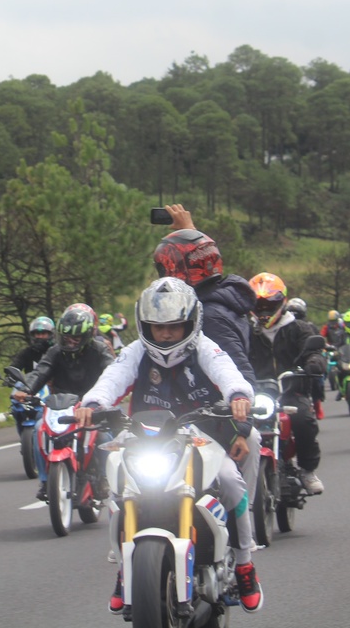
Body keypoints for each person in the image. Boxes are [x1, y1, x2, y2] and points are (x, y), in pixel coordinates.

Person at [74, 277, 262, 614]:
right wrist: (93, 403)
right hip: (144, 436)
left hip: (201, 434)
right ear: (144, 325)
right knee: (116, 484)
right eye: (157, 327)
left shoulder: (205, 347)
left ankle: (245, 565)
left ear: (191, 323)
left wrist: (237, 396)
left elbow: (227, 371)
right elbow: (112, 379)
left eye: (174, 327)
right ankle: (124, 569)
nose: (165, 334)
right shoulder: (135, 352)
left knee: (233, 483)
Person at [152, 211, 263, 528]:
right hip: (192, 406)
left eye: (165, 269)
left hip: (208, 413)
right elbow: (199, 264)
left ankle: (243, 543)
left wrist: (241, 424)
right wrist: (190, 233)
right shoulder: (222, 295)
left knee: (230, 479)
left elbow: (236, 369)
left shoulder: (207, 313)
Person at [12, 303, 116, 500]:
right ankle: (45, 481)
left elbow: (112, 372)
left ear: (86, 336)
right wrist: (26, 389)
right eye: (66, 337)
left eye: (75, 338)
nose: (70, 342)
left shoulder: (100, 350)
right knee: (38, 429)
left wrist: (104, 397)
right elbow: (41, 371)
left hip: (92, 404)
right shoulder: (55, 352)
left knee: (104, 436)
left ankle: (104, 477)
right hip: (60, 405)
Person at [246, 272, 327, 495]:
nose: (263, 310)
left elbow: (315, 351)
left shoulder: (299, 328)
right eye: (258, 304)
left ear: (281, 302)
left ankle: (307, 470)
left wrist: (314, 363)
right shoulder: (245, 331)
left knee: (303, 419)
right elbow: (232, 354)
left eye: (268, 304)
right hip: (255, 393)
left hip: (291, 391)